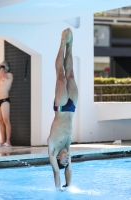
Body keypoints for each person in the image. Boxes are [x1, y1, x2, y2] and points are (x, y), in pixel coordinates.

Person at [47, 28, 78, 189]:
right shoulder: (66, 150)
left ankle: (62, 42)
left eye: (65, 161)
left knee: (60, 74)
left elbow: (57, 173)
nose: (68, 160)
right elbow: (68, 170)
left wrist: (58, 190)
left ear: (58, 159)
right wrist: (68, 185)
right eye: (68, 161)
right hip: (72, 108)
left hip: (60, 107)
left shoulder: (53, 150)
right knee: (70, 74)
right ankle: (70, 44)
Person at [0, 61, 13, 147]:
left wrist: (2, 67)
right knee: (0, 120)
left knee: (6, 120)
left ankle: (8, 141)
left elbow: (2, 74)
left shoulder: (9, 75)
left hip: (5, 100)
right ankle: (3, 141)